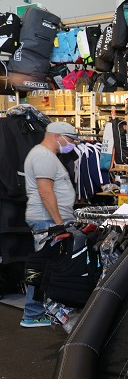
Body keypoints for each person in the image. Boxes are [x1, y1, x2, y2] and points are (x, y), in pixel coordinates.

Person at [21, 121, 78, 328]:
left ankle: (41, 310)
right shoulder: (44, 156)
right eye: (71, 139)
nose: (72, 144)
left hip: (48, 219)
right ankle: (33, 313)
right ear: (57, 136)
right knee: (42, 266)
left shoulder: (46, 155)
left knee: (48, 265)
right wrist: (59, 223)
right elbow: (45, 192)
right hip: (48, 220)